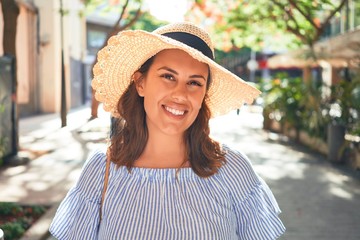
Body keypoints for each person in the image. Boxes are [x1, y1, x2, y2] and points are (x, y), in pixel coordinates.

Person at [49, 22, 285, 239]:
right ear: (140, 83)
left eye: (194, 82)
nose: (181, 94)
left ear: (204, 95)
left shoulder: (232, 169)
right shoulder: (101, 172)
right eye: (168, 76)